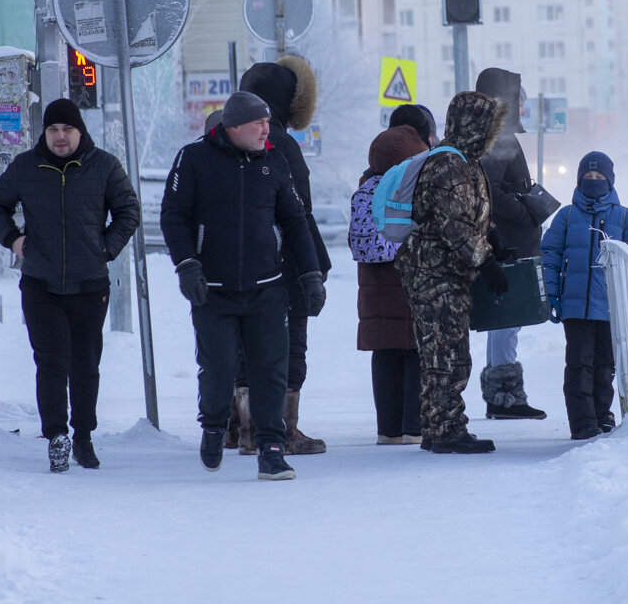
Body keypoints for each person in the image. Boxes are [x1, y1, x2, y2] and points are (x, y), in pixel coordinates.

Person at [160, 91, 325, 481]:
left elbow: (296, 222)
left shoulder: (273, 162)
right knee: (218, 370)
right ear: (234, 127)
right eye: (259, 123)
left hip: (267, 288)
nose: (267, 129)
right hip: (212, 290)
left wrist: (311, 275)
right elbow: (173, 216)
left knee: (271, 371)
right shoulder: (194, 159)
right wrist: (186, 266)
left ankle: (271, 450)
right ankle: (214, 427)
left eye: (268, 122)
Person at [0, 98, 140, 472]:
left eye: (67, 129)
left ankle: (83, 436)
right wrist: (13, 239)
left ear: (79, 131)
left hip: (90, 285)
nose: (59, 136)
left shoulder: (103, 166)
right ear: (45, 132)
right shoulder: (26, 166)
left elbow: (129, 210)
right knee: (51, 362)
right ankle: (56, 437)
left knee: (85, 365)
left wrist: (106, 246)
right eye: (53, 129)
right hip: (41, 284)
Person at [396, 90, 508, 454]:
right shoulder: (448, 163)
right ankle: (445, 431)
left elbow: (473, 214)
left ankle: (439, 427)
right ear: (472, 124)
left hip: (447, 273)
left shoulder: (467, 161)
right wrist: (485, 259)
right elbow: (454, 224)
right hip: (434, 275)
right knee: (445, 354)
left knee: (445, 351)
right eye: (487, 124)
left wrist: (494, 241)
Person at [232, 56, 330, 456]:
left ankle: (241, 428)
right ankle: (283, 430)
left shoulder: (223, 134)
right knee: (290, 346)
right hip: (284, 266)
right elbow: (298, 211)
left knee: (240, 344)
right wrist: (312, 269)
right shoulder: (282, 144)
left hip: (234, 265)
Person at [541, 151, 628, 440]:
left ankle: (602, 416)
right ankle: (583, 422)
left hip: (611, 308)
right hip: (575, 306)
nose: (593, 181)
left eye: (599, 177)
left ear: (610, 180)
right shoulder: (566, 216)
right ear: (579, 179)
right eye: (588, 176)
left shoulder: (625, 217)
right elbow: (549, 256)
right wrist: (551, 295)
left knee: (605, 367)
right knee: (579, 365)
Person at [473, 67, 547, 420]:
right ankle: (505, 397)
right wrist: (524, 212)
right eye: (521, 101)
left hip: (507, 241)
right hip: (508, 243)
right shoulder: (498, 135)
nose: (523, 109)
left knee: (505, 320)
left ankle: (500, 396)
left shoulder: (492, 133)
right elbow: (492, 190)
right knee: (507, 320)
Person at [349, 124, 430, 444]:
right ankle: (413, 427)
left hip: (373, 290)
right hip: (407, 283)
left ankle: (388, 430)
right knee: (414, 352)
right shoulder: (407, 189)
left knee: (384, 355)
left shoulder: (364, 190)